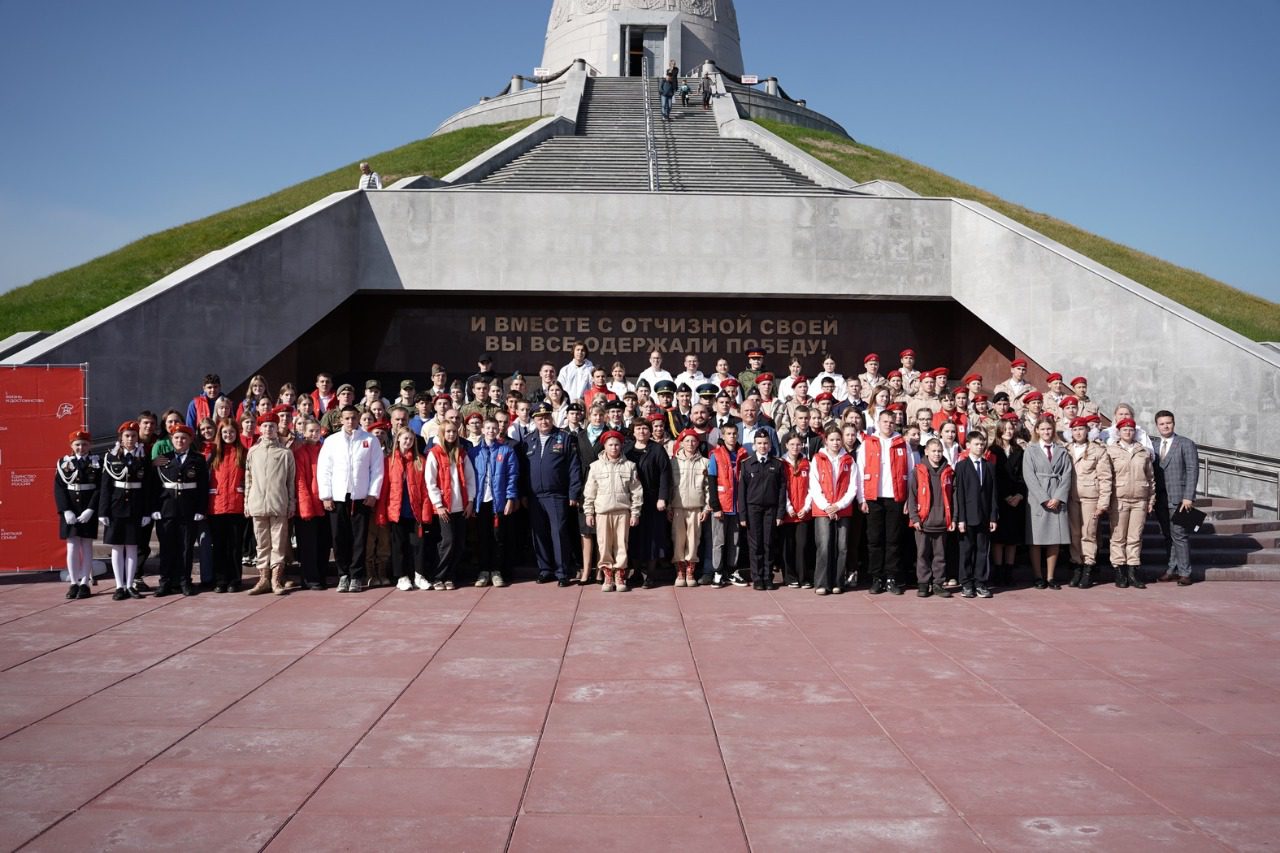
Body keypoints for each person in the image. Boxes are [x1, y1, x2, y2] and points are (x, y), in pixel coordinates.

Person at [317, 406, 384, 593]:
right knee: (339, 538)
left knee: (359, 538)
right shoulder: (331, 441)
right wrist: (326, 495)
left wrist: (373, 493)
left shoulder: (370, 440)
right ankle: (343, 575)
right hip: (338, 496)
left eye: (354, 418)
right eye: (346, 418)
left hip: (361, 497)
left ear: (359, 419)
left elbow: (377, 469)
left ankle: (356, 576)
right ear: (340, 419)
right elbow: (324, 469)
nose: (350, 422)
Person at [522, 402, 582, 586]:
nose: (544, 421)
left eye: (547, 417)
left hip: (556, 495)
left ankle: (562, 572)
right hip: (534, 496)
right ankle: (545, 569)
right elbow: (523, 471)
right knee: (538, 534)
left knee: (559, 533)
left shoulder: (563, 437)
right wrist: (523, 494)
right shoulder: (527, 440)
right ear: (534, 420)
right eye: (539, 418)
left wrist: (573, 493)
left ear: (552, 417)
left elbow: (574, 468)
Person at [583, 430, 643, 592]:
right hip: (603, 512)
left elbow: (636, 491)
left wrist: (635, 512)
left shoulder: (629, 466)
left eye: (617, 444)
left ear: (621, 446)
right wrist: (589, 512)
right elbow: (590, 491)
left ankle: (620, 574)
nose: (614, 448)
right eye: (611, 445)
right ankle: (608, 574)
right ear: (604, 446)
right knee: (604, 545)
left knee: (621, 544)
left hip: (623, 512)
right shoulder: (595, 467)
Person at [858, 410, 910, 595]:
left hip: (895, 497)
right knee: (874, 540)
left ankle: (891, 577)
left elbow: (910, 472)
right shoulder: (868, 442)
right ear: (878, 423)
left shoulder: (903, 443)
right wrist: (862, 498)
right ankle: (876, 577)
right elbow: (860, 470)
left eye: (891, 422)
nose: (888, 424)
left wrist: (908, 499)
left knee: (893, 540)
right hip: (874, 498)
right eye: (885, 421)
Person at [152, 424, 208, 597]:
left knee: (186, 548)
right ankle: (165, 582)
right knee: (167, 547)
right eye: (176, 438)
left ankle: (185, 581)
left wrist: (200, 508)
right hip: (166, 509)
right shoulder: (161, 458)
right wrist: (154, 508)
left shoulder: (198, 460)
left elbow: (203, 486)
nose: (180, 441)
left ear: (190, 440)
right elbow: (153, 486)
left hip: (188, 509)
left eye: (184, 438)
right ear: (171, 439)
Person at [244, 416, 297, 596]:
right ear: (260, 428)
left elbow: (291, 482)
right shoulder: (253, 452)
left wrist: (291, 503)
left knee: (278, 543)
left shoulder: (285, 453)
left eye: (272, 426)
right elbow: (248, 479)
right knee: (262, 544)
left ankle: (276, 579)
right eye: (265, 426)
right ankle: (263, 578)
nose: (268, 429)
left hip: (278, 503)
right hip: (257, 503)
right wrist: (247, 503)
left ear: (277, 428)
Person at [98, 421, 150, 599]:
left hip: (136, 507)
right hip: (116, 507)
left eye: (133, 436)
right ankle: (119, 586)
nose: (130, 439)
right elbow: (105, 486)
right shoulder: (111, 457)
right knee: (117, 547)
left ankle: (130, 585)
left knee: (133, 547)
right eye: (127, 436)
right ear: (121, 438)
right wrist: (103, 511)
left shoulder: (143, 457)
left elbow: (147, 487)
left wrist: (147, 511)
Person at [469, 417, 520, 588]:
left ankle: (496, 571)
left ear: (498, 430)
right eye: (488, 428)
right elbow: (469, 478)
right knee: (483, 536)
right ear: (482, 430)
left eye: (494, 428)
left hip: (499, 501)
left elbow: (513, 476)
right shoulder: (474, 452)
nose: (491, 431)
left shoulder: (506, 451)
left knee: (498, 537)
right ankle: (484, 571)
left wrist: (510, 498)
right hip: (481, 501)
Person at [1023, 416, 1073, 589]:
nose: (1046, 432)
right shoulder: (1030, 451)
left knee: (1054, 538)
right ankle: (1038, 576)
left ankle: (1051, 576)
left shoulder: (1062, 450)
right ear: (1037, 430)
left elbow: (1067, 475)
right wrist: (1043, 498)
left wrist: (1058, 497)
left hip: (1057, 496)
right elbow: (1029, 476)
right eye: (1043, 429)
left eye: (1049, 429)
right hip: (1038, 499)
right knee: (1036, 539)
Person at [1105, 418, 1155, 589]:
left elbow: (1150, 478)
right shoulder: (1111, 451)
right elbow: (1106, 477)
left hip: (1140, 499)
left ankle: (1133, 571)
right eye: (1124, 429)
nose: (1128, 432)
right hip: (1119, 498)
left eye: (1131, 429)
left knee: (1135, 537)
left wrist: (1151, 499)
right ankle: (1119, 571)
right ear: (1118, 432)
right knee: (1118, 536)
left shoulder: (1143, 451)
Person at [810, 427, 860, 595]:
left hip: (842, 509)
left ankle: (838, 581)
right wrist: (827, 506)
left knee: (842, 546)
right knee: (824, 545)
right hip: (823, 509)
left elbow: (853, 487)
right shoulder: (817, 459)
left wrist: (839, 505)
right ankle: (822, 583)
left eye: (838, 439)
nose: (835, 443)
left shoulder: (848, 460)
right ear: (826, 441)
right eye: (832, 439)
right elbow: (814, 486)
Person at [1153, 410, 1200, 586]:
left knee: (1180, 535)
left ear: (1174, 423)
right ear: (1157, 426)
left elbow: (1192, 470)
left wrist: (1189, 496)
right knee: (1167, 534)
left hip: (1180, 498)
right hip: (1160, 498)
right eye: (1162, 424)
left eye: (1169, 423)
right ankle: (1171, 569)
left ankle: (1185, 572)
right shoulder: (1154, 445)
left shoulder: (1185, 443)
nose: (1166, 426)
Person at [1066, 416, 1113, 589]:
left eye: (1081, 429)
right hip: (1071, 497)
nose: (1078, 432)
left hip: (1090, 497)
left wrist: (1103, 502)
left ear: (1087, 431)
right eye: (1075, 430)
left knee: (1089, 533)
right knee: (1075, 534)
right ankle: (1077, 566)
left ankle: (1088, 568)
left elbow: (1105, 478)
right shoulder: (1067, 449)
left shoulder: (1098, 450)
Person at [624, 418, 671, 588]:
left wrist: (662, 497)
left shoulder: (657, 449)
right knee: (635, 538)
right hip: (633, 501)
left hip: (653, 501)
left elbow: (666, 474)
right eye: (638, 429)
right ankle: (636, 573)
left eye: (645, 428)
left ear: (650, 431)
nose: (642, 432)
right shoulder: (627, 449)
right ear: (633, 431)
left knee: (653, 538)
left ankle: (650, 575)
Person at [738, 431, 787, 591]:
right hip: (753, 509)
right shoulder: (747, 464)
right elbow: (742, 492)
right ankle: (757, 578)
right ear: (754, 445)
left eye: (765, 443)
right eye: (759, 443)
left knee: (769, 543)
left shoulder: (778, 464)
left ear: (770, 445)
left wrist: (780, 513)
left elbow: (781, 490)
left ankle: (768, 577)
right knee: (755, 544)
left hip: (771, 509)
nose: (763, 446)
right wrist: (743, 515)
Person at [55, 430, 101, 599]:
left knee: (87, 546)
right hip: (71, 509)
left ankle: (84, 583)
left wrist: (91, 509)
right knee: (72, 546)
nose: (81, 447)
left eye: (84, 444)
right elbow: (59, 488)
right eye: (77, 444)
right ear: (71, 446)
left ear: (90, 445)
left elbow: (99, 488)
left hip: (88, 508)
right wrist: (65, 510)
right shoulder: (63, 463)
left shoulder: (97, 462)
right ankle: (74, 582)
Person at [953, 432, 999, 599]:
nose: (979, 447)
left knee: (982, 551)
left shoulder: (989, 466)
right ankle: (966, 583)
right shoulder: (962, 466)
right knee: (966, 551)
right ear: (968, 446)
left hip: (985, 516)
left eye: (982, 444)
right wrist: (961, 519)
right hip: (967, 517)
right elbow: (960, 495)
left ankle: (980, 582)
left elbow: (993, 493)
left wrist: (993, 516)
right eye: (976, 444)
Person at [908, 438, 955, 598]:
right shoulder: (918, 471)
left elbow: (953, 497)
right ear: (926, 451)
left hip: (942, 522)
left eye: (940, 451)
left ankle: (938, 584)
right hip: (923, 522)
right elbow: (912, 496)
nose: (937, 454)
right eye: (934, 451)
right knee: (922, 555)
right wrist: (914, 518)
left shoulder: (949, 471)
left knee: (940, 556)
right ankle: (923, 584)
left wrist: (953, 518)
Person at [206, 420, 247, 593]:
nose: (228, 436)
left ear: (236, 434)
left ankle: (235, 580)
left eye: (231, 432)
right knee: (219, 545)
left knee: (235, 546)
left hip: (237, 505)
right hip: (217, 506)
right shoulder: (214, 453)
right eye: (225, 433)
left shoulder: (243, 452)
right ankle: (221, 580)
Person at [707, 422, 748, 587]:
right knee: (719, 541)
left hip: (737, 506)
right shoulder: (715, 455)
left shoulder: (743, 454)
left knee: (735, 541)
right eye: (728, 434)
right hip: (722, 506)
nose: (732, 436)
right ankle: (717, 572)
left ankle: (732, 570)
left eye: (734, 433)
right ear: (722, 436)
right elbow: (711, 481)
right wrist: (715, 506)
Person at [292, 419, 330, 590]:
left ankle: (320, 575)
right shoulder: (300, 452)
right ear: (304, 433)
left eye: (317, 431)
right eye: (311, 431)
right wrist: (305, 506)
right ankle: (309, 578)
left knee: (321, 543)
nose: (315, 434)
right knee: (307, 544)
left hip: (323, 503)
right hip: (307, 504)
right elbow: (300, 481)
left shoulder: (324, 450)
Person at [990, 416, 1027, 586]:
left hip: (1016, 499)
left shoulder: (1019, 450)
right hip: (1000, 498)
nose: (1008, 431)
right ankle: (998, 570)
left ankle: (1009, 570)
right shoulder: (993, 450)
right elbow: (994, 476)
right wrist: (1005, 496)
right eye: (1005, 428)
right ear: (999, 430)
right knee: (999, 538)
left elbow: (1024, 475)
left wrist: (1019, 495)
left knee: (1012, 538)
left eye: (1011, 428)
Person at [776, 433, 813, 589]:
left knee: (802, 545)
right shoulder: (781, 463)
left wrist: (806, 507)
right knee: (788, 546)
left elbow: (813, 488)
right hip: (787, 512)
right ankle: (790, 577)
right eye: (792, 444)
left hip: (803, 512)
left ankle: (804, 577)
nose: (795, 448)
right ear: (786, 446)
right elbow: (781, 488)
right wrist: (788, 507)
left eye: (798, 444)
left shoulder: (808, 463)